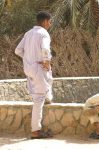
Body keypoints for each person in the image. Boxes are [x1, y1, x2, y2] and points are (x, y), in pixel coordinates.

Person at [15, 11, 53, 139]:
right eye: (49, 21)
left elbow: (18, 50)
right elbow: (46, 49)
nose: (50, 24)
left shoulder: (28, 33)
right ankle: (36, 131)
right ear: (46, 21)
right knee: (38, 100)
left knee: (43, 89)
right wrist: (46, 61)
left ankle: (48, 97)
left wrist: (28, 58)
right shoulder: (43, 34)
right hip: (38, 68)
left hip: (29, 68)